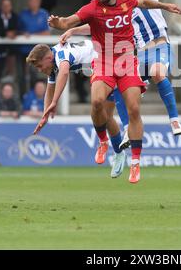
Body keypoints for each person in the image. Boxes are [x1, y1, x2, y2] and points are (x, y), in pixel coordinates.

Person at [48, 0, 181, 183]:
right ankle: (103, 142)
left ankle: (136, 163)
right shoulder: (92, 9)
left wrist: (165, 5)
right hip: (104, 62)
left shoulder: (126, 2)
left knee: (134, 109)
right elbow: (69, 21)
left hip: (128, 62)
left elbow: (145, 3)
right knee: (97, 102)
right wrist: (59, 24)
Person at [105, 0, 181, 138]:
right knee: (118, 86)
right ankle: (126, 128)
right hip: (140, 55)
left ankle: (174, 119)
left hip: (159, 47)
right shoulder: (120, 6)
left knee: (158, 72)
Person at [27, 40, 127, 178]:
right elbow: (50, 87)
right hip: (102, 66)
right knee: (104, 114)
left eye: (39, 66)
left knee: (97, 105)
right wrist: (45, 114)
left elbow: (64, 73)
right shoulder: (53, 60)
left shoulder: (61, 55)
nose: (39, 70)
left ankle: (107, 145)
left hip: (109, 64)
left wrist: (55, 102)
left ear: (48, 58)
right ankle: (117, 152)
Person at [17, 0, 50, 95]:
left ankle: (36, 97)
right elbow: (17, 30)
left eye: (36, 1)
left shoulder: (44, 14)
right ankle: (23, 97)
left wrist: (31, 35)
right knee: (21, 76)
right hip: (23, 50)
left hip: (38, 52)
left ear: (39, 2)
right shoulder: (23, 14)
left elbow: (47, 32)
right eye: (31, 1)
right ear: (28, 2)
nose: (33, 3)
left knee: (35, 75)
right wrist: (23, 33)